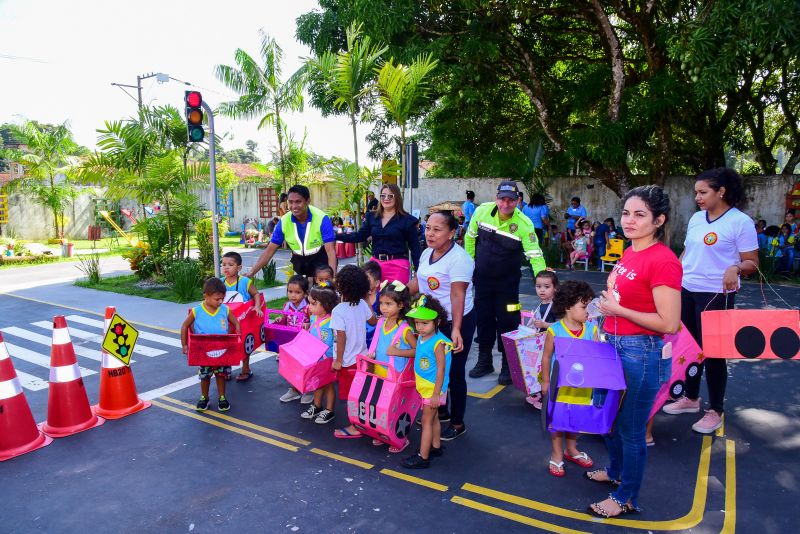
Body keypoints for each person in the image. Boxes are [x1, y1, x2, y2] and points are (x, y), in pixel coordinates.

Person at [585, 185, 681, 518]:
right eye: (626, 213)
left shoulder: (663, 261)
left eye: (640, 215)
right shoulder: (631, 251)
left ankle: (626, 496)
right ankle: (615, 472)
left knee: (631, 430)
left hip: (640, 353)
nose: (629, 220)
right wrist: (606, 306)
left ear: (659, 220)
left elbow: (669, 323)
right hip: (613, 344)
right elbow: (624, 298)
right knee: (609, 420)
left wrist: (618, 311)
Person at [662, 168, 759, 433]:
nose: (698, 197)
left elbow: (753, 262)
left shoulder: (740, 222)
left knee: (714, 353)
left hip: (717, 294)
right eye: (696, 192)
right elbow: (688, 251)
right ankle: (691, 398)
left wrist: (736, 268)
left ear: (721, 192)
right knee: (689, 348)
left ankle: (715, 409)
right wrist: (674, 276)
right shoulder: (696, 218)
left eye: (703, 192)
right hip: (687, 290)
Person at [465, 180, 547, 385]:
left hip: (507, 284)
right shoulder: (482, 212)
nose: (506, 203)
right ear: (496, 198)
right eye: (502, 199)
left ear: (518, 201)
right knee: (483, 319)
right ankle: (485, 361)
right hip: (482, 280)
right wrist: (469, 267)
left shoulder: (524, 224)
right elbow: (469, 238)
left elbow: (534, 255)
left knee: (508, 322)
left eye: (511, 199)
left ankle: (507, 366)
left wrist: (543, 280)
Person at [408, 212, 476, 441]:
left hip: (457, 321)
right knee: (434, 368)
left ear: (451, 233)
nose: (430, 233)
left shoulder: (460, 260)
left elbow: (458, 294)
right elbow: (419, 281)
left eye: (437, 229)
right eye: (428, 228)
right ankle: (442, 411)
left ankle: (457, 423)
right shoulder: (427, 252)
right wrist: (397, 295)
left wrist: (456, 329)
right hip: (433, 321)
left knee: (455, 371)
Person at [541, 280, 597, 477]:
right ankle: (557, 454)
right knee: (557, 421)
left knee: (575, 418)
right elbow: (547, 356)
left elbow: (596, 356)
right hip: (560, 386)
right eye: (584, 306)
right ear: (567, 307)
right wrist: (546, 381)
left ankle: (571, 449)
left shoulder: (592, 329)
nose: (588, 311)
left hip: (582, 388)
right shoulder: (554, 331)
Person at [401, 296, 453, 469]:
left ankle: (423, 457)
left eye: (425, 323)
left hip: (433, 389)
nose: (420, 327)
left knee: (426, 421)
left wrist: (437, 394)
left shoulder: (438, 342)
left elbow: (441, 369)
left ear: (437, 321)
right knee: (434, 418)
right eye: (417, 323)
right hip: (427, 386)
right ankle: (436, 446)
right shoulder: (425, 337)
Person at [246, 185, 337, 281]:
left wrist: (333, 278)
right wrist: (251, 272)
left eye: (298, 202)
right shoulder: (284, 221)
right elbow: (270, 250)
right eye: (290, 202)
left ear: (308, 201)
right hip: (299, 263)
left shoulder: (322, 218)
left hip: (321, 263)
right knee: (298, 293)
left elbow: (330, 251)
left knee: (321, 294)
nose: (294, 206)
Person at [367, 280, 417, 453]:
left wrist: (397, 352)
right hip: (379, 371)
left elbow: (417, 351)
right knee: (381, 404)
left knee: (395, 407)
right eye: (381, 303)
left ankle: (400, 438)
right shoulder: (381, 322)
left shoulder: (404, 329)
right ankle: (383, 432)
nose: (384, 307)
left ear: (401, 305)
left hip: (396, 375)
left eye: (389, 304)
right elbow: (376, 341)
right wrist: (371, 353)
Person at [336, 183, 421, 284]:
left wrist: (418, 270)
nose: (386, 198)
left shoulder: (407, 220)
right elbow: (359, 236)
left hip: (398, 267)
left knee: (395, 298)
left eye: (390, 196)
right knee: (372, 298)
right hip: (375, 267)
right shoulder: (372, 217)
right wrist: (335, 236)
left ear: (397, 197)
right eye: (383, 195)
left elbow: (415, 248)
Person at [181, 278, 241, 412]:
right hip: (204, 350)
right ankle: (204, 397)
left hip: (222, 348)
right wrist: (184, 344)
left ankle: (222, 397)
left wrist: (236, 334)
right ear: (206, 296)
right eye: (217, 299)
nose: (220, 302)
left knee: (221, 375)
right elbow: (185, 326)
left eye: (222, 299)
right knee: (205, 375)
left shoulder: (224, 309)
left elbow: (236, 322)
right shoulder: (197, 311)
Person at [332, 265, 378, 439]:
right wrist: (366, 300)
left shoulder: (338, 311)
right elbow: (373, 321)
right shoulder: (362, 305)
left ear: (341, 287)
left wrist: (338, 360)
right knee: (362, 393)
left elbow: (341, 337)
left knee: (351, 396)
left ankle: (355, 427)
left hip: (348, 362)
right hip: (364, 359)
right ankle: (364, 423)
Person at [220, 251, 263, 382]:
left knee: (244, 343)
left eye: (230, 265)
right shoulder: (220, 283)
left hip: (243, 319)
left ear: (238, 268)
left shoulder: (245, 282)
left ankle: (245, 369)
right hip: (226, 321)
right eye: (224, 264)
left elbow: (256, 294)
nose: (226, 267)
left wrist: (257, 306)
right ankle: (226, 369)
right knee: (226, 343)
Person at [300, 283, 339, 424]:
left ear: (326, 305)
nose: (309, 306)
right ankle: (316, 406)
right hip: (315, 358)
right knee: (317, 383)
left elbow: (335, 342)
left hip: (327, 359)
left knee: (328, 384)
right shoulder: (314, 317)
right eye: (309, 303)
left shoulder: (332, 322)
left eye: (313, 303)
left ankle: (329, 410)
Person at [526, 270, 558, 409]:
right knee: (538, 367)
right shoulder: (542, 303)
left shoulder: (556, 306)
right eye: (539, 286)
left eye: (546, 286)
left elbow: (561, 325)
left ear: (555, 288)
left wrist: (544, 325)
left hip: (552, 344)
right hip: (541, 342)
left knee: (548, 368)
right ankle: (539, 391)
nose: (542, 290)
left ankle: (547, 397)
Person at [278, 275, 314, 404]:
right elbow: (284, 319)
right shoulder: (287, 306)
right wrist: (279, 320)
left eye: (297, 292)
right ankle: (294, 389)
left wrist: (308, 325)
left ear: (305, 293)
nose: (293, 295)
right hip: (291, 342)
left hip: (305, 343)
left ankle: (308, 390)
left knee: (306, 367)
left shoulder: (309, 307)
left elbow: (314, 323)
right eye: (290, 291)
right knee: (292, 366)